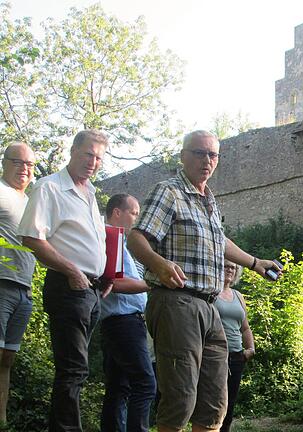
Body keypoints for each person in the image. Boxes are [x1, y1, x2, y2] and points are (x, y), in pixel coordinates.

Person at [127, 130, 281, 432]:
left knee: (214, 403)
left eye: (212, 155)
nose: (206, 160)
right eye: (199, 153)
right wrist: (158, 264)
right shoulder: (169, 192)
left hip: (209, 307)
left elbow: (219, 242)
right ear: (183, 156)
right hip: (176, 302)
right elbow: (136, 238)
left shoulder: (209, 201)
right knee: (181, 398)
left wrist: (255, 263)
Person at [18, 130, 113, 432]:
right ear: (73, 151)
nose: (93, 162)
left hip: (92, 291)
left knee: (77, 370)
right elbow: (32, 237)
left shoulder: (90, 194)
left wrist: (105, 275)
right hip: (67, 286)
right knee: (72, 370)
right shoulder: (49, 188)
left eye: (98, 157)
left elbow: (90, 243)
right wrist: (73, 271)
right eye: (88, 154)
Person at [99, 194, 156, 432]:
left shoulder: (120, 242)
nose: (137, 218)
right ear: (117, 213)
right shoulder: (109, 239)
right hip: (123, 322)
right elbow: (115, 283)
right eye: (133, 213)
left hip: (120, 323)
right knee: (145, 383)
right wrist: (155, 282)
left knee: (119, 386)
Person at [0, 142, 36, 427]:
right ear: (4, 162)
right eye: (18, 162)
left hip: (25, 289)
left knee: (7, 359)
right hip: (1, 284)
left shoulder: (32, 202)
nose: (24, 169)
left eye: (29, 164)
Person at [214, 260, 255, 432]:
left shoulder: (238, 296)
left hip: (237, 356)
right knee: (214, 403)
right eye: (226, 266)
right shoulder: (210, 292)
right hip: (215, 355)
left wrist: (250, 349)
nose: (230, 269)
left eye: (233, 267)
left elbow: (245, 327)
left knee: (230, 404)